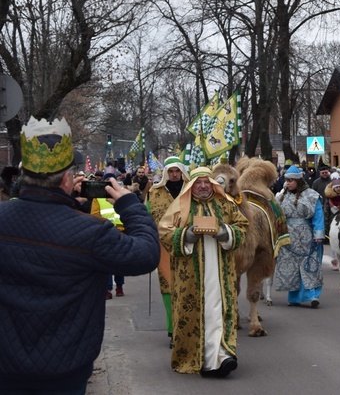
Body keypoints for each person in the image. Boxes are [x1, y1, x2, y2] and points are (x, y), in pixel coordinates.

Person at [0, 116, 159, 393]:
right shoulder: (91, 233)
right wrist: (130, 206)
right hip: (64, 369)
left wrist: (71, 206)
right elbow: (145, 254)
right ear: (65, 179)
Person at [158, 167, 247, 377]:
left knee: (218, 310)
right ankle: (197, 358)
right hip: (190, 274)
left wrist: (224, 232)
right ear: (192, 185)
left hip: (220, 272)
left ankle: (222, 356)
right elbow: (164, 230)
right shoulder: (180, 205)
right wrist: (186, 235)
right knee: (196, 312)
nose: (204, 186)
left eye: (207, 182)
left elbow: (242, 226)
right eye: (199, 183)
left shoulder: (225, 203)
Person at [146, 156, 189, 347]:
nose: (173, 175)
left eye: (176, 171)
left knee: (188, 287)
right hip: (163, 248)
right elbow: (146, 218)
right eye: (170, 171)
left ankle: (188, 327)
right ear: (165, 173)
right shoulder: (154, 193)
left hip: (188, 245)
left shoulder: (191, 190)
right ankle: (173, 330)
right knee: (169, 289)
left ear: (181, 172)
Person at [273, 165, 325, 307]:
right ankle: (295, 298)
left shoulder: (311, 195)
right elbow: (275, 216)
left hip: (306, 236)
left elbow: (318, 216)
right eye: (287, 180)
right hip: (288, 236)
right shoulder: (281, 196)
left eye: (291, 180)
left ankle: (313, 295)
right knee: (292, 267)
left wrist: (318, 234)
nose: (288, 183)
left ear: (298, 181)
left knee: (309, 264)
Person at [90, 172, 127, 299]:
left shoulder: (121, 195)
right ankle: (107, 289)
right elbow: (95, 215)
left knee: (120, 262)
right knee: (107, 262)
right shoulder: (97, 197)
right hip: (106, 233)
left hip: (121, 232)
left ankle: (119, 286)